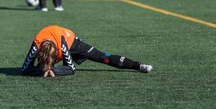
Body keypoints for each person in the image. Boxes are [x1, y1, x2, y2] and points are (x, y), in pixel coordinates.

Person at [21, 25, 153, 77]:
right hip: (53, 42)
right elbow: (24, 69)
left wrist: (54, 71)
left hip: (72, 42)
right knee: (41, 67)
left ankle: (138, 65)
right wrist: (43, 70)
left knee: (102, 57)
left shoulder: (62, 45)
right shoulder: (36, 45)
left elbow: (71, 69)